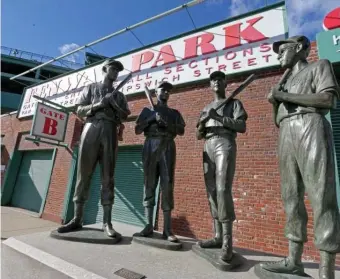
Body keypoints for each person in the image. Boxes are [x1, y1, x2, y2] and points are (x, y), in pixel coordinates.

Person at [259, 35, 340, 279]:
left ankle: (326, 271)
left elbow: (328, 100)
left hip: (310, 125)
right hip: (286, 131)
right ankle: (294, 260)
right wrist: (275, 102)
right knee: (291, 197)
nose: (278, 55)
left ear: (298, 48)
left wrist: (284, 97)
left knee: (321, 195)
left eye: (282, 50)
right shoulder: (284, 82)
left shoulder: (319, 66)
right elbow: (277, 120)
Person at [58, 58, 131, 237]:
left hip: (110, 130)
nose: (116, 73)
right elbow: (79, 110)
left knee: (108, 177)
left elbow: (125, 116)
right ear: (105, 69)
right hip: (91, 127)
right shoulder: (91, 88)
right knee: (84, 175)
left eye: (118, 71)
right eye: (113, 69)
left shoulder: (120, 95)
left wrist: (113, 105)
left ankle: (107, 222)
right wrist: (99, 104)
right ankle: (77, 219)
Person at [196, 70, 248, 262]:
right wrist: (202, 123)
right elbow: (198, 135)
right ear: (210, 85)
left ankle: (227, 242)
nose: (216, 82)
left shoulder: (234, 103)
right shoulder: (207, 106)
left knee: (222, 188)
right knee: (211, 191)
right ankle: (217, 236)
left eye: (220, 79)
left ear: (225, 83)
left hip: (224, 142)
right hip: (208, 144)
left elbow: (241, 127)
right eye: (213, 80)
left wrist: (217, 118)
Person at [134, 81, 185, 242]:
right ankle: (148, 225)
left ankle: (167, 229)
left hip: (168, 145)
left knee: (167, 184)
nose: (166, 93)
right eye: (163, 90)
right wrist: (151, 119)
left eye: (168, 91)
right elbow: (137, 129)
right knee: (149, 183)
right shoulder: (147, 110)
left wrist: (167, 124)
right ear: (156, 92)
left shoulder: (174, 112)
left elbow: (181, 130)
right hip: (150, 144)